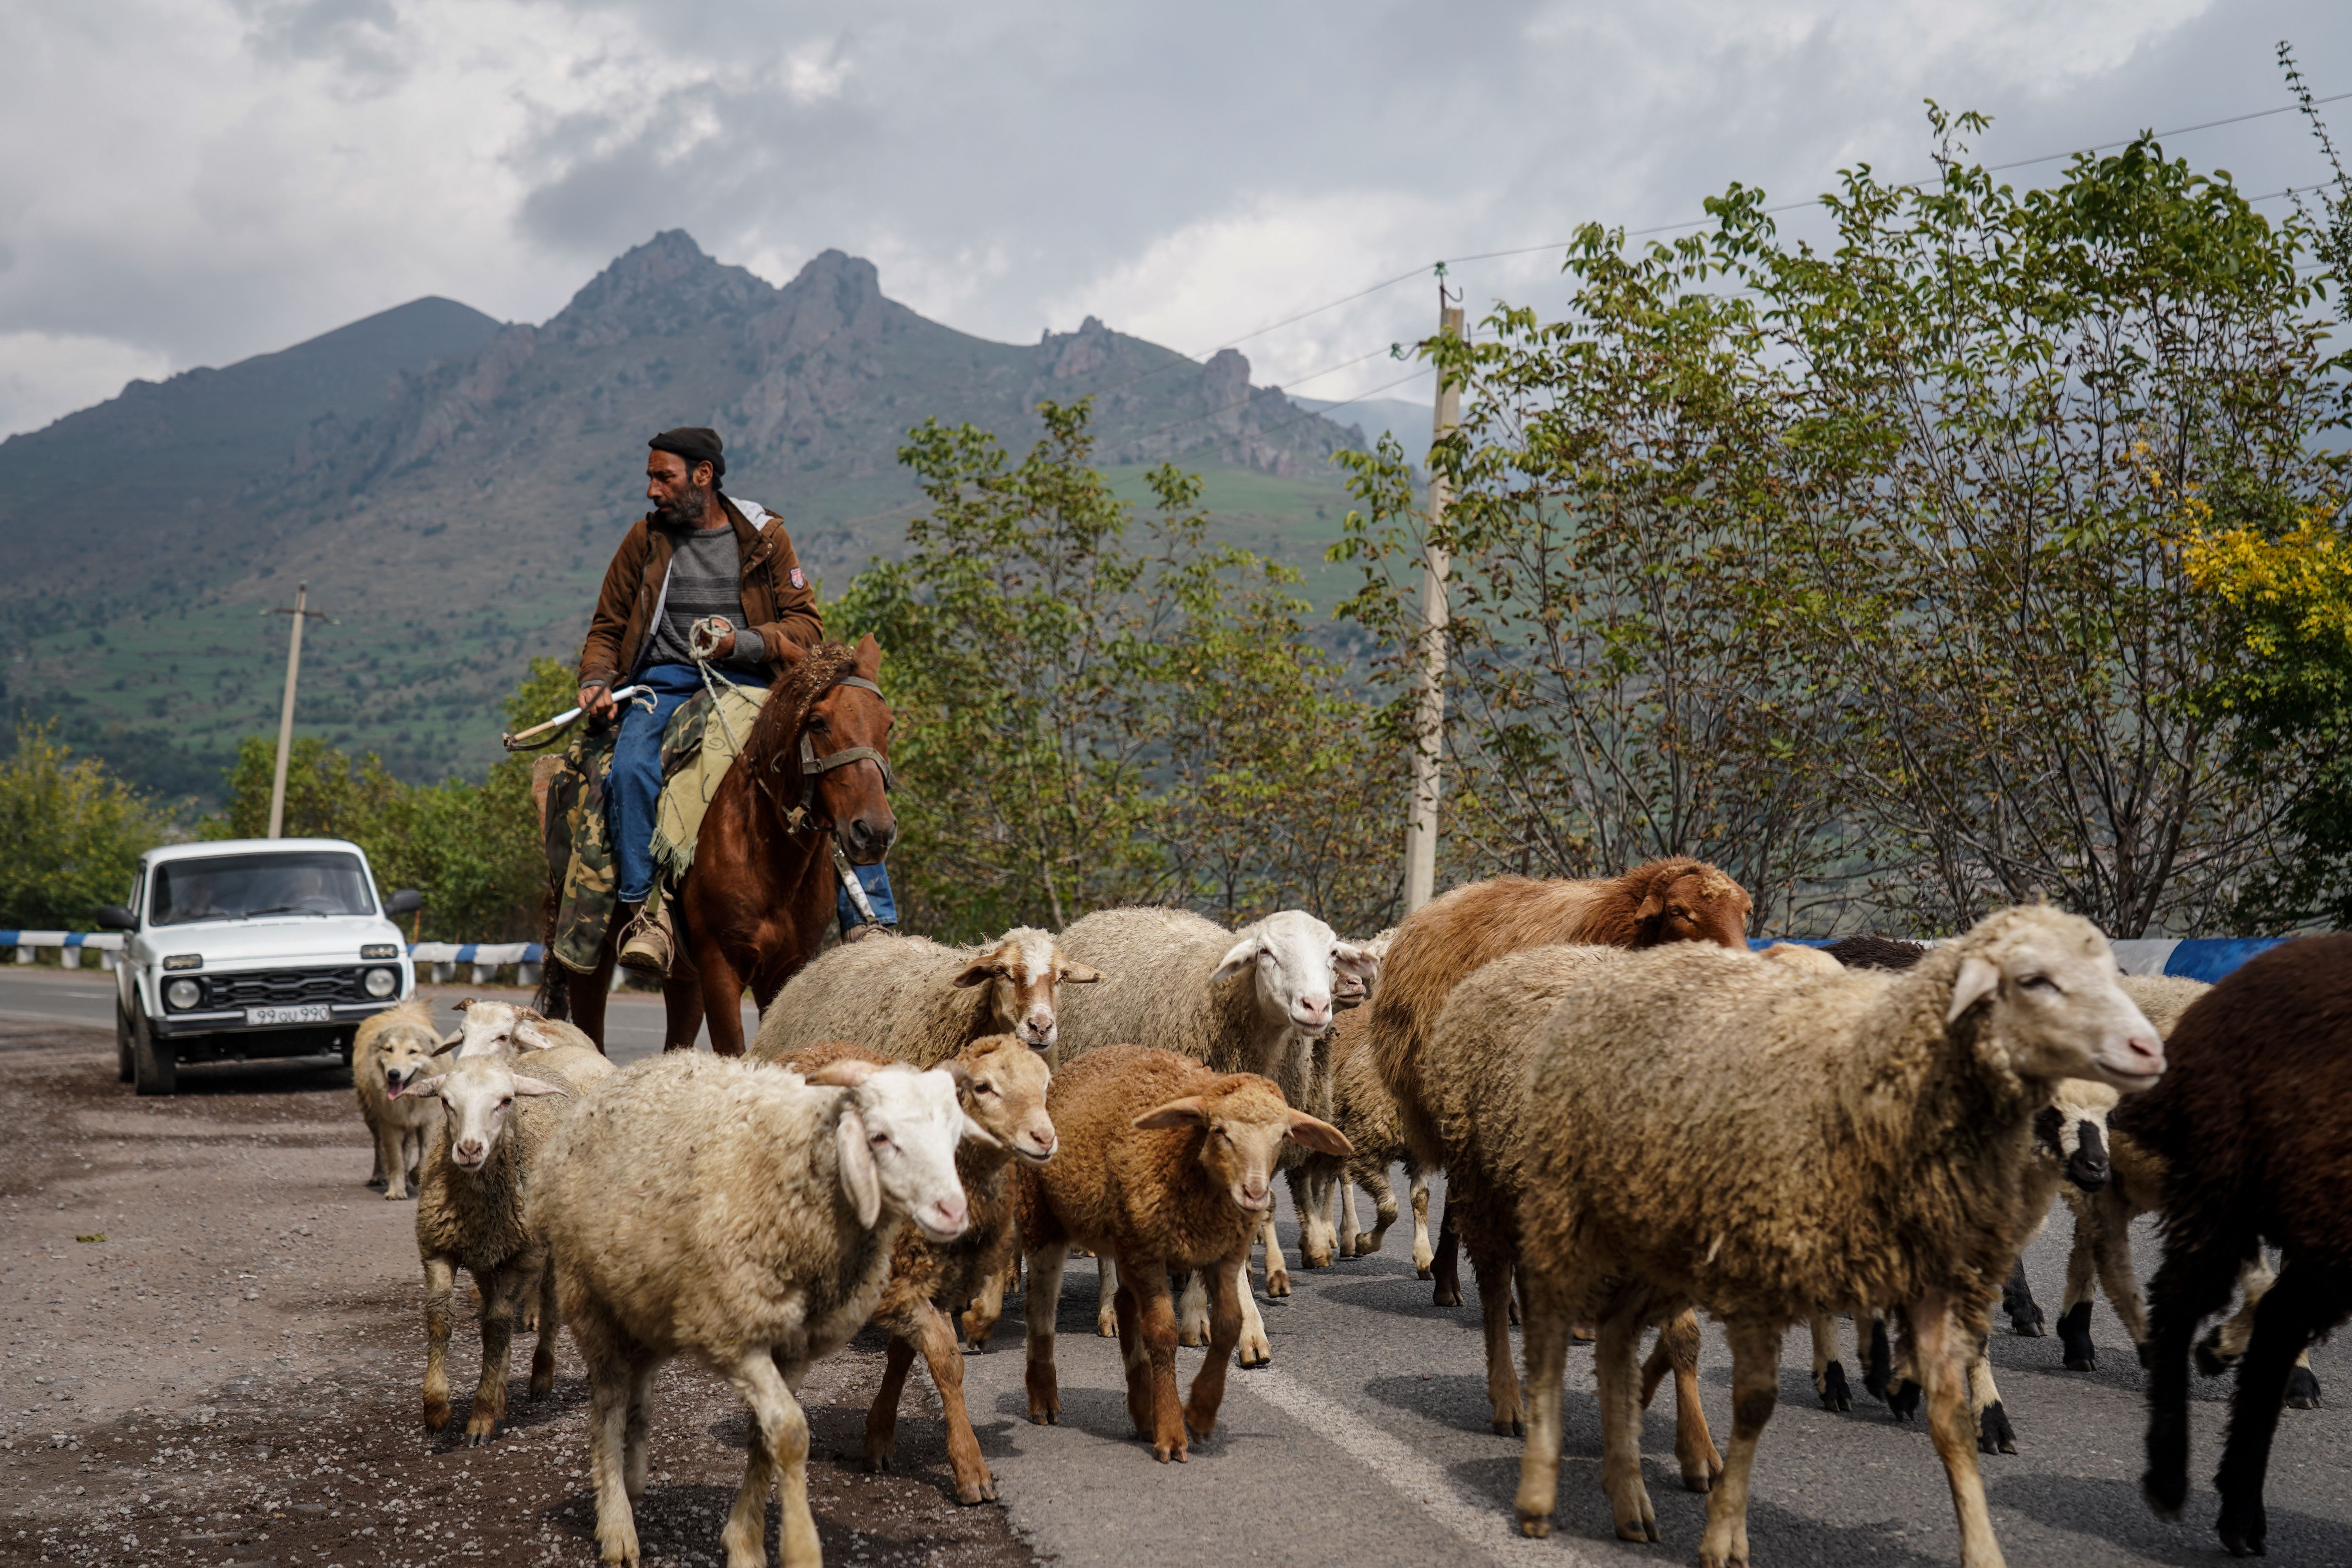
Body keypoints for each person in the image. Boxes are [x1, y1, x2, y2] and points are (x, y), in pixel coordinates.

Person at [575, 427, 822, 972]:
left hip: (750, 681)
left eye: (664, 478)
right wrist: (595, 679)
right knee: (630, 770)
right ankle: (646, 917)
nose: (652, 491)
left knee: (823, 763)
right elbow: (607, 628)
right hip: (662, 684)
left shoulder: (765, 537)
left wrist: (742, 643)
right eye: (651, 479)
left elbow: (806, 628)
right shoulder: (643, 541)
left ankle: (863, 915)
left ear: (703, 476)